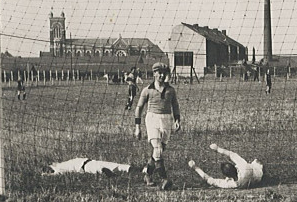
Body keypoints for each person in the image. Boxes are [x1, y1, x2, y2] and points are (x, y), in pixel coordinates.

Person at [134, 62, 181, 190]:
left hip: (166, 119)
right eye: (159, 72)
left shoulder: (170, 90)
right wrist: (137, 127)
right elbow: (138, 108)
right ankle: (165, 179)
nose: (161, 75)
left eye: (163, 73)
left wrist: (177, 120)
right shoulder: (147, 90)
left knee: (158, 151)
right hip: (152, 118)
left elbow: (175, 106)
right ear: (154, 74)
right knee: (158, 149)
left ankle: (147, 175)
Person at [188, 143, 264, 189]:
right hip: (260, 174)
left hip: (254, 181)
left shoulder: (233, 184)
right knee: (256, 162)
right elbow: (231, 154)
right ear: (235, 167)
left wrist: (195, 167)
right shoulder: (243, 167)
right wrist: (217, 148)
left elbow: (209, 180)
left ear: (228, 177)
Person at [43, 158, 140, 177]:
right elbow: (55, 172)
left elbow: (55, 173)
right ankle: (134, 169)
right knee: (114, 166)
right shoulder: (61, 166)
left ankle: (108, 173)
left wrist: (45, 174)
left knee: (100, 168)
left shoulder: (60, 167)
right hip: (88, 162)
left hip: (86, 165)